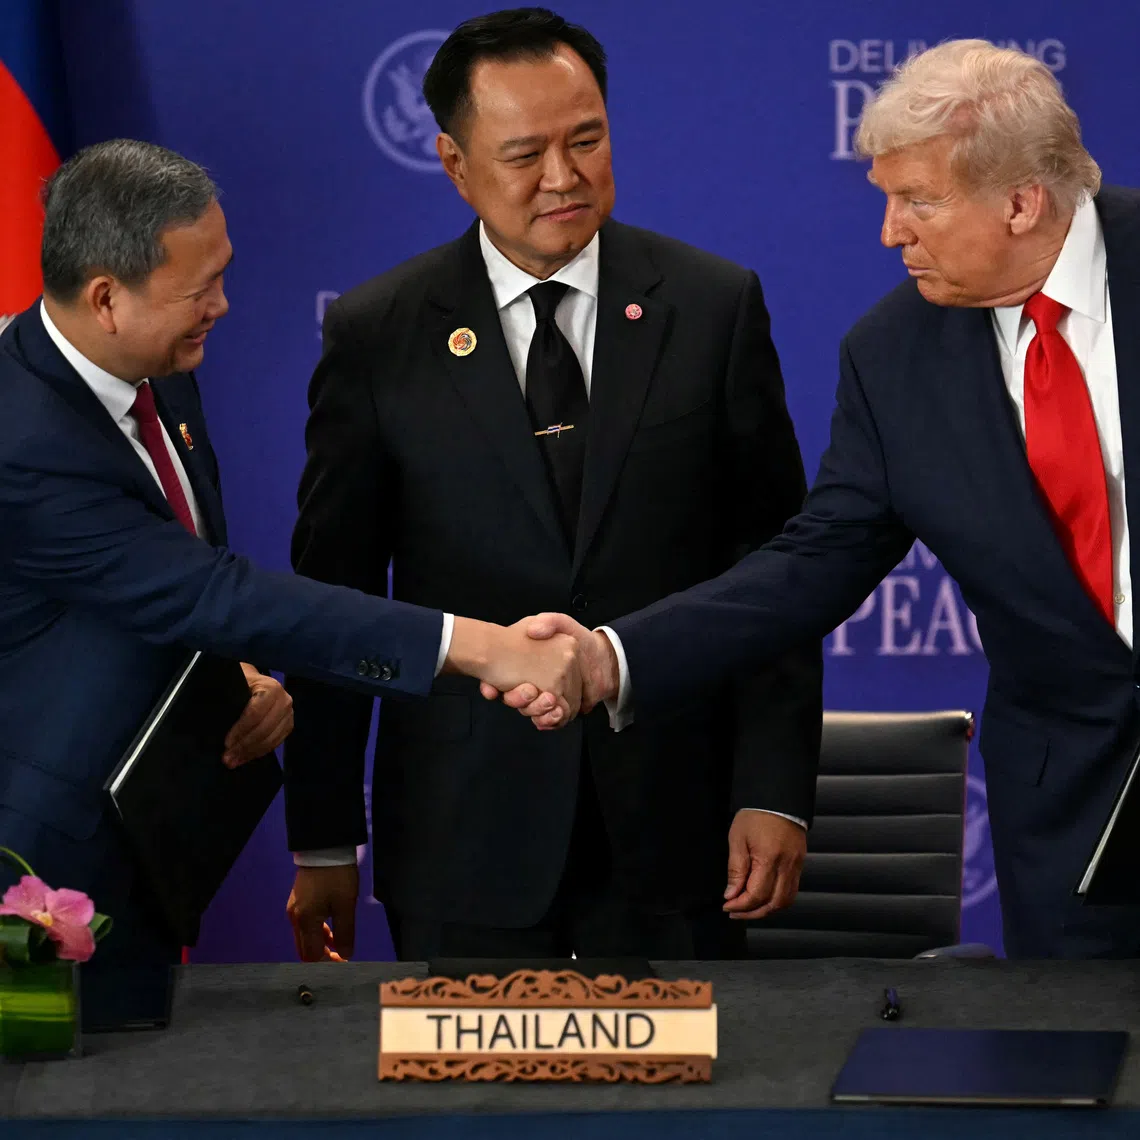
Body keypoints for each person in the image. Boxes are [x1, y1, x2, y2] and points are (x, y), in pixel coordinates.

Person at [516, 39, 1140, 959]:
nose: (891, 232)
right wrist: (616, 656)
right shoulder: (891, 357)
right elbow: (813, 563)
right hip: (1075, 818)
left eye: (918, 201)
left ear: (1021, 202)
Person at [0, 138, 580, 1024]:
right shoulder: (22, 443)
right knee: (59, 1085)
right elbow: (214, 592)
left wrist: (232, 673)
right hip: (40, 880)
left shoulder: (156, 371)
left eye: (223, 275)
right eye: (199, 290)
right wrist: (480, 647)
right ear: (107, 298)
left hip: (148, 838)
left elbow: (151, 591)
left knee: (141, 1067)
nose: (222, 306)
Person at [283, 7, 821, 963]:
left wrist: (773, 789)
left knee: (681, 1069)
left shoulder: (712, 306)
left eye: (587, 140)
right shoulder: (378, 334)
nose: (565, 177)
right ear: (455, 164)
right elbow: (339, 596)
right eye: (526, 153)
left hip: (678, 826)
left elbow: (775, 569)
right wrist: (324, 833)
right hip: (461, 836)